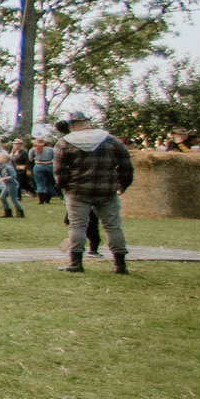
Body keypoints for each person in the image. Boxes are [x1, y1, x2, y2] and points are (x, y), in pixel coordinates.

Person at [53, 108, 134, 275]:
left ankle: (76, 263)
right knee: (113, 227)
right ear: (88, 122)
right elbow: (127, 167)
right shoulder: (112, 140)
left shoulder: (65, 143)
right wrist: (122, 186)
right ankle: (120, 265)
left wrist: (64, 187)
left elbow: (60, 171)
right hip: (107, 191)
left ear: (71, 125)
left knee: (77, 226)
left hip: (77, 191)